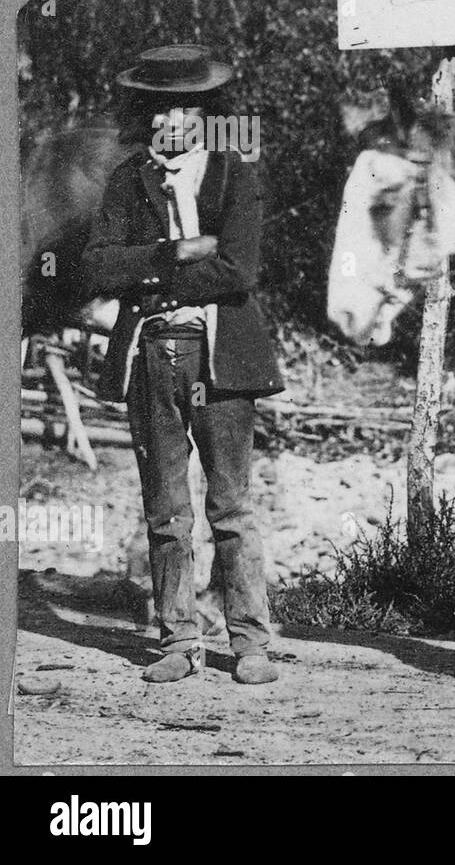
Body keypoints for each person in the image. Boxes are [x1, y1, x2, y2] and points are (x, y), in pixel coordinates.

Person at [83, 44, 284, 685]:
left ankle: (250, 641)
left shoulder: (234, 174)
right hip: (150, 355)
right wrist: (177, 252)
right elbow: (97, 264)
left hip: (219, 358)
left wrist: (152, 278)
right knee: (165, 507)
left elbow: (240, 269)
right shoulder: (127, 180)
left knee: (230, 506)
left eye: (186, 109)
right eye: (160, 110)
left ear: (207, 114)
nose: (172, 123)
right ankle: (178, 639)